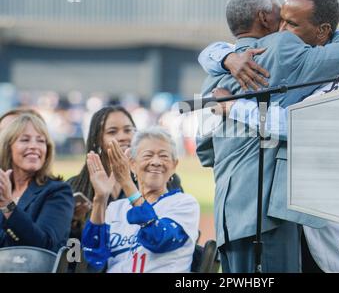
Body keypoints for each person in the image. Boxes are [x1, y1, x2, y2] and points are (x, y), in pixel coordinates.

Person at [196, 0, 339, 273]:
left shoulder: (212, 79)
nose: (284, 29)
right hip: (271, 216)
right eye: (281, 18)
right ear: (264, 17)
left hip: (228, 217)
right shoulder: (283, 47)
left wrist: (227, 75)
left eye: (292, 23)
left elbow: (205, 149)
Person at [81, 127, 200, 273]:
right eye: (148, 155)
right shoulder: (115, 208)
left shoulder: (184, 204)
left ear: (174, 166)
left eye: (163, 156)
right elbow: (93, 259)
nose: (156, 162)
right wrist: (100, 199)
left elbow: (158, 238)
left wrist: (126, 183)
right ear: (132, 164)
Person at [68, 105, 182, 240]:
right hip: (95, 259)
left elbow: (176, 232)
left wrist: (126, 182)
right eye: (112, 132)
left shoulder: (159, 178)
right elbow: (70, 247)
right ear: (97, 140)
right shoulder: (76, 185)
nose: (122, 137)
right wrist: (74, 224)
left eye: (128, 130)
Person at [0, 113, 74, 252]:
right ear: (8, 147)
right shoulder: (3, 189)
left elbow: (44, 246)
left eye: (40, 141)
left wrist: (7, 206)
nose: (34, 146)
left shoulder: (58, 192)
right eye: (25, 140)